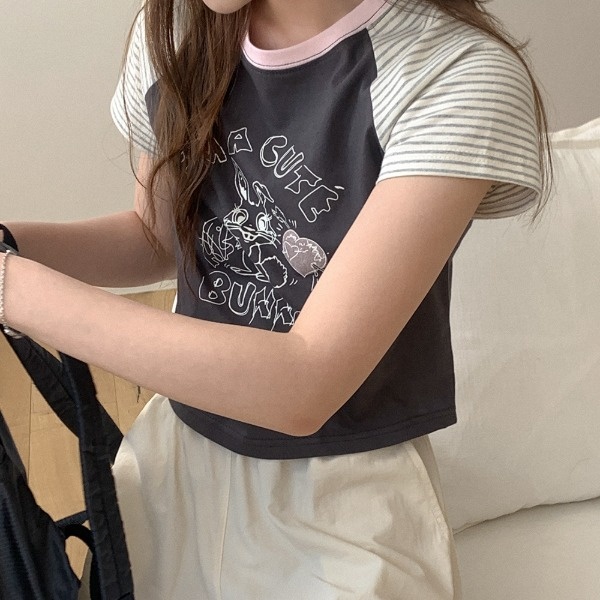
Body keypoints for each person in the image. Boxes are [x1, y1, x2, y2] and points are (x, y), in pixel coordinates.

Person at [1, 0, 552, 598]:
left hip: (344, 497)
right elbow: (154, 237)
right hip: (174, 457)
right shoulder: (176, 28)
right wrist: (9, 245)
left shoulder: (454, 74)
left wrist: (12, 287)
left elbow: (305, 384)